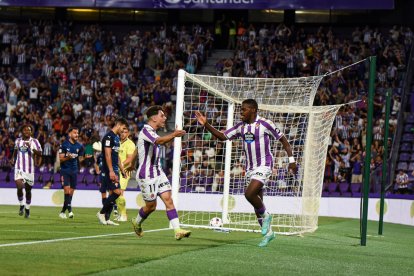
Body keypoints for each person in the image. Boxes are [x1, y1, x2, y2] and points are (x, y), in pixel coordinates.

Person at [195, 99, 297, 247]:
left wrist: (291, 161)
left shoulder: (265, 124)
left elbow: (284, 141)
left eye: (243, 110)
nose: (240, 112)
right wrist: (206, 124)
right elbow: (222, 136)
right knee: (257, 205)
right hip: (250, 168)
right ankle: (269, 234)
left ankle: (267, 216)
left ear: (253, 110)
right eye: (240, 109)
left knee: (249, 194)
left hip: (264, 165)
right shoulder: (240, 127)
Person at [131, 105, 191, 240]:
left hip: (158, 172)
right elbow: (159, 141)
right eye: (162, 115)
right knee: (151, 206)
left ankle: (177, 230)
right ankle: (137, 222)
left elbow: (158, 142)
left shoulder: (153, 132)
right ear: (153, 118)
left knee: (169, 200)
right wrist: (174, 134)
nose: (165, 118)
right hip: (146, 175)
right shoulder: (146, 131)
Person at [96, 117, 129, 226]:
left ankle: (106, 218)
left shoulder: (116, 138)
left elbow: (117, 156)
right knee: (117, 192)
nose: (123, 131)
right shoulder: (108, 137)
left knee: (112, 193)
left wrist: (122, 169)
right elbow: (107, 154)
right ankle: (101, 213)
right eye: (123, 128)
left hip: (115, 169)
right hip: (108, 170)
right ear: (119, 125)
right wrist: (111, 171)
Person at [10, 124, 42, 218]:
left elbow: (40, 153)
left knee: (28, 191)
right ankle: (21, 204)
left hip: (30, 170)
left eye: (29, 130)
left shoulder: (35, 141)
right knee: (19, 186)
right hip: (19, 168)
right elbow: (15, 150)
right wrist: (12, 158)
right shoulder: (18, 141)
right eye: (25, 130)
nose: (27, 131)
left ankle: (27, 209)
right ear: (22, 131)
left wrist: (31, 148)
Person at [58, 126, 86, 219]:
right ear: (70, 134)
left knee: (71, 193)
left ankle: (62, 212)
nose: (77, 135)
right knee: (66, 190)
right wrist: (67, 158)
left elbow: (80, 158)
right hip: (65, 170)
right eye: (75, 133)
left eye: (77, 133)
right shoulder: (64, 145)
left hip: (74, 171)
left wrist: (85, 157)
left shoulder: (79, 146)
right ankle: (70, 211)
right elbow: (61, 159)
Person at [115, 128, 136, 222]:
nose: (123, 134)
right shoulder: (116, 142)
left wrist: (121, 165)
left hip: (125, 170)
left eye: (125, 132)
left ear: (128, 133)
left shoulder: (130, 144)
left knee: (120, 192)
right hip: (116, 170)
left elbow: (130, 159)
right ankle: (121, 213)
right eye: (122, 132)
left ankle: (123, 215)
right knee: (115, 193)